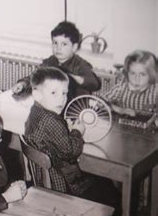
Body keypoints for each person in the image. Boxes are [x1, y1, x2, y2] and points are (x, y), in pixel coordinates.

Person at [24, 66, 117, 206]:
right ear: (37, 94)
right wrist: (77, 131)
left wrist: (64, 127)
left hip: (43, 181)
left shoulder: (35, 111)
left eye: (64, 93)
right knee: (110, 189)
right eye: (54, 93)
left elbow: (49, 135)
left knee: (103, 184)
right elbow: (71, 152)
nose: (62, 99)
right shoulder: (52, 121)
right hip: (64, 186)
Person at [13, 21, 101, 103]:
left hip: (74, 108)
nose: (58, 48)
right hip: (52, 104)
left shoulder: (80, 64)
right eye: (55, 43)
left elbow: (94, 83)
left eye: (64, 44)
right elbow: (35, 77)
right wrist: (23, 84)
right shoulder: (50, 62)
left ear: (74, 47)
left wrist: (74, 78)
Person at [102, 50, 158, 124]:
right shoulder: (121, 87)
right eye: (132, 73)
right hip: (123, 130)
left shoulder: (155, 90)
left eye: (142, 74)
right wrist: (120, 110)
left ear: (151, 75)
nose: (137, 79)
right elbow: (100, 102)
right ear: (127, 73)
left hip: (148, 132)